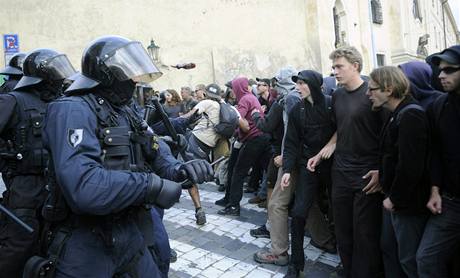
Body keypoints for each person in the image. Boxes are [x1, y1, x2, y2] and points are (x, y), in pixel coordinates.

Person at [40, 35, 213, 278]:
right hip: (86, 240)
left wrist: (180, 169)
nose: (134, 81)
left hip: (129, 231)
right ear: (109, 73)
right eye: (129, 73)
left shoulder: (125, 110)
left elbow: (153, 148)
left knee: (161, 260)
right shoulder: (72, 109)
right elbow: (83, 186)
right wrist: (151, 186)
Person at [0, 48, 76, 278]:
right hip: (25, 187)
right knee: (19, 244)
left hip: (57, 187)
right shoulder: (13, 100)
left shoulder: (62, 102)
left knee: (52, 244)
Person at [367, 66, 430, 278]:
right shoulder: (396, 113)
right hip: (395, 200)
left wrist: (394, 198)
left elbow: (410, 166)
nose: (368, 94)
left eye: (372, 89)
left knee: (409, 259)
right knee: (391, 248)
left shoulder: (411, 115)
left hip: (407, 204)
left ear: (389, 89)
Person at [328, 46, 386, 278]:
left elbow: (387, 137)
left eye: (339, 66)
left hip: (366, 174)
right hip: (340, 171)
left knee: (365, 233)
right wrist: (328, 145)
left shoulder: (372, 94)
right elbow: (340, 129)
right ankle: (348, 270)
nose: (335, 72)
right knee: (342, 229)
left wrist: (381, 170)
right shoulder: (337, 95)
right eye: (333, 67)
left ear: (356, 66)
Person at [280, 70, 336, 278]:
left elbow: (344, 130)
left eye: (302, 83)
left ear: (312, 84)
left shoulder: (332, 104)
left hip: (334, 166)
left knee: (339, 212)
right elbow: (292, 143)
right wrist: (287, 170)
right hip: (308, 166)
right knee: (298, 213)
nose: (297, 87)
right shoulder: (297, 109)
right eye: (297, 83)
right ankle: (296, 265)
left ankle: (346, 260)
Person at [416, 45, 460, 278]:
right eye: (440, 70)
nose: (442, 75)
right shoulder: (439, 106)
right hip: (451, 203)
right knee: (426, 259)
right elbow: (436, 152)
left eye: (450, 70)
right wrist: (435, 191)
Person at [216, 77, 270, 216]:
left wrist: (233, 113)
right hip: (262, 137)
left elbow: (244, 125)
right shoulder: (251, 97)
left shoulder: (244, 100)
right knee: (268, 172)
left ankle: (233, 206)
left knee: (238, 173)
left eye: (233, 88)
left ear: (239, 87)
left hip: (254, 139)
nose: (232, 91)